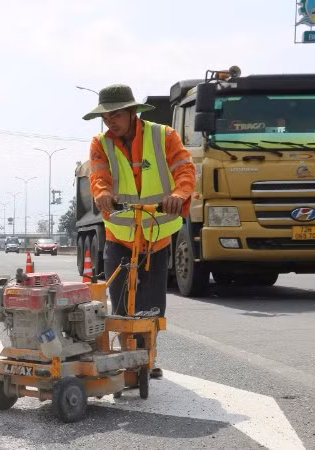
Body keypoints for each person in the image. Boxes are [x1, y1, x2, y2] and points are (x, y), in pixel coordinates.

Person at [84, 84, 195, 379]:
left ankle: (147, 356)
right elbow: (98, 176)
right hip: (119, 235)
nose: (110, 121)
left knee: (152, 301)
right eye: (105, 117)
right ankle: (127, 353)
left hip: (156, 235)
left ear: (133, 112)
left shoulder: (164, 136)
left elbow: (185, 170)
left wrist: (179, 195)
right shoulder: (100, 143)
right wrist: (103, 193)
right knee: (119, 299)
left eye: (116, 114)